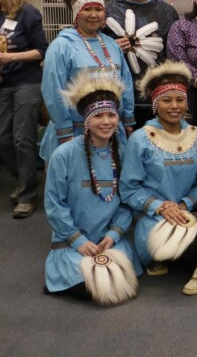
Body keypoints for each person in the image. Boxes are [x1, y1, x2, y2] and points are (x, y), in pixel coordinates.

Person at [44, 71, 141, 303]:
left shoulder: (123, 152)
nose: (106, 122)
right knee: (92, 288)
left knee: (116, 285)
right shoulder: (64, 154)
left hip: (109, 240)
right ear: (87, 120)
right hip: (72, 241)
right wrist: (78, 240)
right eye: (99, 116)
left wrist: (114, 233)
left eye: (111, 115)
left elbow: (128, 200)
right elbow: (54, 204)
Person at [119, 62, 197, 295]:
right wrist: (161, 207)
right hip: (154, 217)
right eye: (166, 100)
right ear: (155, 104)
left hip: (188, 213)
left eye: (180, 100)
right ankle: (160, 256)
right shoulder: (140, 139)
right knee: (193, 252)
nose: (174, 106)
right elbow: (129, 189)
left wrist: (184, 205)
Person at [40, 0, 136, 163]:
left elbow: (125, 82)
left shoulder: (111, 44)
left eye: (98, 9)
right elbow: (53, 90)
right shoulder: (62, 46)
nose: (94, 15)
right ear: (76, 14)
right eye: (87, 9)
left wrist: (128, 119)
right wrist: (64, 130)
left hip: (110, 129)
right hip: (75, 131)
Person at [0, 0, 48, 217]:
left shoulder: (28, 13)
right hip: (0, 82)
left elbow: (42, 50)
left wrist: (12, 57)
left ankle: (27, 195)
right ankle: (25, 178)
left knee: (23, 139)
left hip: (27, 82)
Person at [104, 0, 178, 127]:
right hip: (117, 101)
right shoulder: (107, 10)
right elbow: (90, 50)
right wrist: (110, 48)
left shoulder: (167, 12)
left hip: (157, 99)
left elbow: (174, 57)